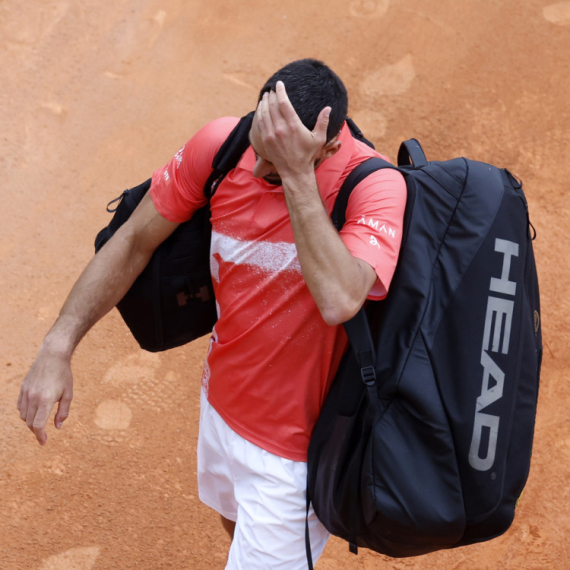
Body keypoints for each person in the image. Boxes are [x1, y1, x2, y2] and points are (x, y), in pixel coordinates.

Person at [17, 59, 407, 569]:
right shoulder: (225, 146)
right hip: (220, 411)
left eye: (276, 166)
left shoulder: (374, 187)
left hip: (294, 458)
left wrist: (294, 176)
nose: (258, 171)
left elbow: (339, 300)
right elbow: (133, 240)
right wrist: (58, 345)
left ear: (327, 148)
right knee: (234, 523)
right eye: (260, 152)